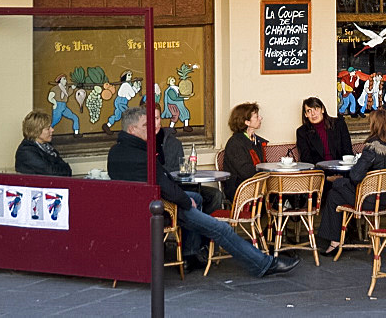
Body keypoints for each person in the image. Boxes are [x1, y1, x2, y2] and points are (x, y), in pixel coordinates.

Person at [107, 106, 298, 277]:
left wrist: (184, 198)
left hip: (142, 207)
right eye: (144, 125)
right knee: (220, 228)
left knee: (197, 197)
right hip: (162, 208)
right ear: (132, 130)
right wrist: (183, 200)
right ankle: (263, 264)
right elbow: (166, 187)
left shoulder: (116, 152)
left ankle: (191, 252)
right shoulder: (142, 155)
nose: (150, 128)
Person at [318, 109, 386, 255]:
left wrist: (339, 180)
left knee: (335, 189)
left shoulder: (372, 147)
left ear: (374, 125)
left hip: (369, 200)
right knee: (336, 193)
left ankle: (336, 241)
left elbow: (355, 176)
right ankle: (339, 239)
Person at [155, 105, 222, 214]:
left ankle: (203, 227)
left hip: (177, 186)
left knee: (215, 195)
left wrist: (186, 172)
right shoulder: (140, 143)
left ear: (160, 120)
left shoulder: (174, 143)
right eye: (149, 119)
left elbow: (180, 171)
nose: (153, 123)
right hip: (160, 191)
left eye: (157, 118)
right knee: (195, 198)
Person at [221, 102, 267, 202]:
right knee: (277, 192)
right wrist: (267, 172)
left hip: (257, 184)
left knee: (283, 189)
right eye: (257, 116)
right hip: (240, 188)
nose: (260, 118)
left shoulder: (256, 140)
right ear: (247, 122)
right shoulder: (235, 143)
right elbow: (246, 171)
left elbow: (262, 164)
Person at [295, 96, 353, 165]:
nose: (313, 114)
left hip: (341, 169)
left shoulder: (339, 124)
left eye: (316, 109)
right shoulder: (302, 132)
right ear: (306, 115)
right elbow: (306, 159)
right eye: (309, 111)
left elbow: (347, 151)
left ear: (322, 110)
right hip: (318, 172)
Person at [15, 110, 72, 176]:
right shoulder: (26, 151)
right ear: (36, 131)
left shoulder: (47, 147)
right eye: (48, 128)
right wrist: (62, 168)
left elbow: (68, 171)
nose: (52, 130)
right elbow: (51, 172)